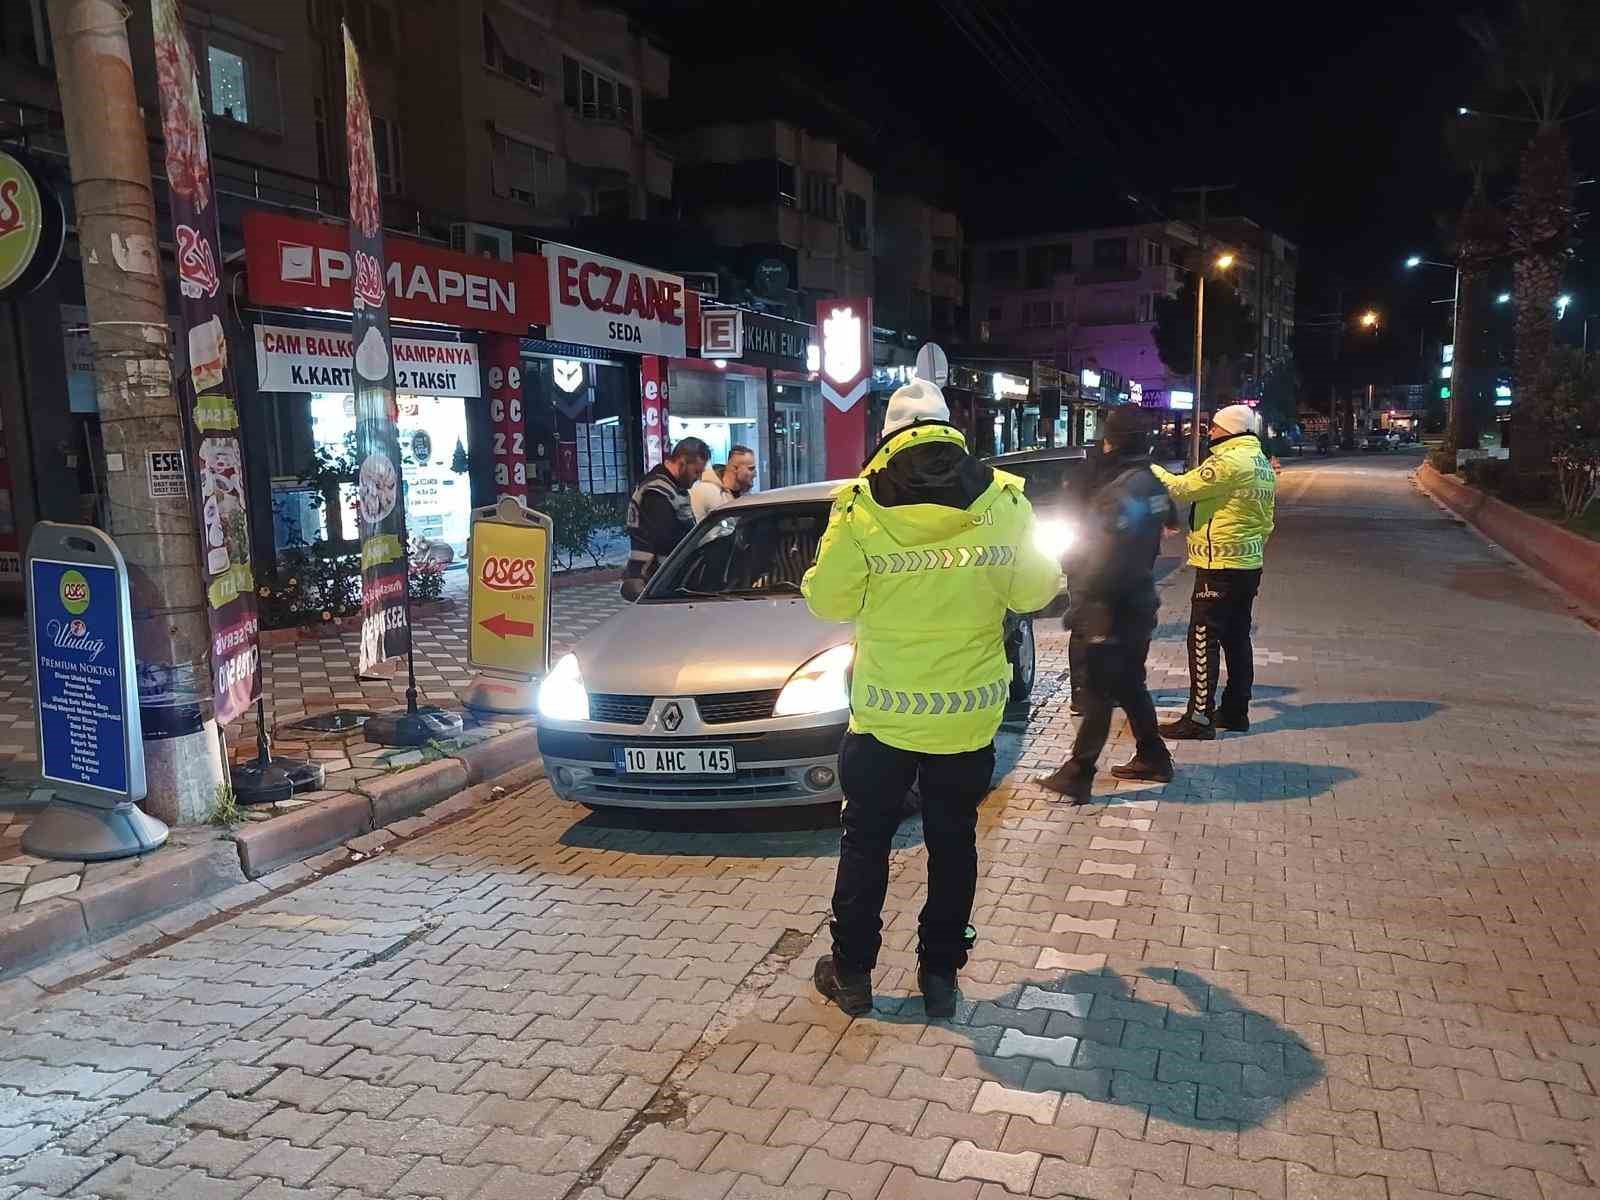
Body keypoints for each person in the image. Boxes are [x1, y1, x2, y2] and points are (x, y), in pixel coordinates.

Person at [802, 379, 1061, 1019]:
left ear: (889, 438)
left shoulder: (859, 505)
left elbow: (828, 601)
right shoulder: (1003, 500)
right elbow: (1036, 591)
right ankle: (940, 977)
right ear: (951, 429)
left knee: (866, 843)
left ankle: (853, 974)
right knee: (954, 842)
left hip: (884, 717)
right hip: (968, 717)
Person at [1038, 408, 1173, 804]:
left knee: (1097, 690)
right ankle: (1154, 755)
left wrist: (1083, 604)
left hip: (1111, 605)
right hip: (1139, 598)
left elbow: (1105, 556)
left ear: (1112, 440)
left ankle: (1079, 773)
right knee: (1130, 683)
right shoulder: (1151, 482)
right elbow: (1165, 527)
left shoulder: (1118, 491)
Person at [1150, 403, 1276, 739]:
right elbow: (1267, 521)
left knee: (1203, 638)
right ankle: (1236, 712)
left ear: (1231, 429)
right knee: (1237, 638)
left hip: (1219, 565)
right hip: (1248, 565)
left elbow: (1181, 488)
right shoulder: (1261, 463)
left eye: (1215, 427)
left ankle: (1200, 718)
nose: (1210, 432)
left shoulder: (1229, 461)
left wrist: (1150, 469)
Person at [620, 436, 710, 600]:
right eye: (696, 472)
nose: (698, 478)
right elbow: (666, 538)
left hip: (663, 576)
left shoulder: (673, 487)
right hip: (651, 578)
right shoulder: (657, 491)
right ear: (682, 463)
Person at [689, 444, 757, 521]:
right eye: (751, 469)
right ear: (735, 468)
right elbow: (695, 529)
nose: (755, 474)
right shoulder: (703, 491)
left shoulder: (747, 495)